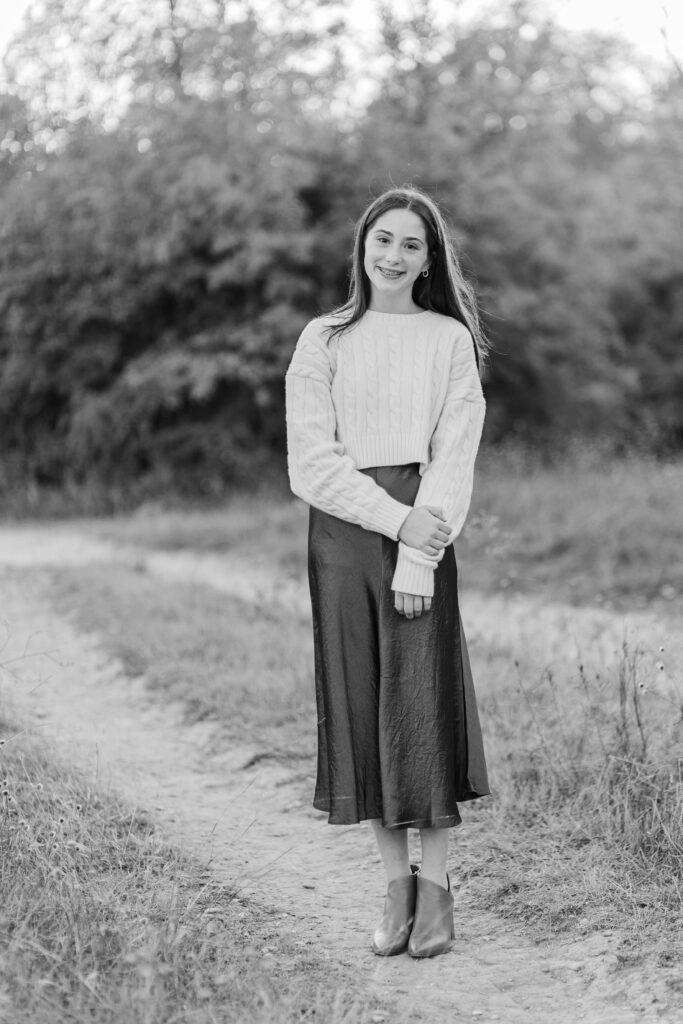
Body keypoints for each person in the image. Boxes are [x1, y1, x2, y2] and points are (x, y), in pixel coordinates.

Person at [285, 185, 489, 959]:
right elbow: (312, 462)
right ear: (362, 246)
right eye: (383, 240)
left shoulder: (446, 339)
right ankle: (394, 886)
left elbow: (454, 452)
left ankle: (436, 888)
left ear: (429, 258)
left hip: (423, 525)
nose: (393, 255)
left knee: (420, 703)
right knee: (363, 700)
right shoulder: (323, 339)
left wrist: (417, 545)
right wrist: (391, 519)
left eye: (411, 244)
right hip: (341, 536)